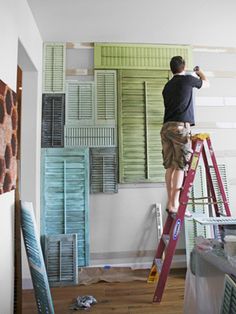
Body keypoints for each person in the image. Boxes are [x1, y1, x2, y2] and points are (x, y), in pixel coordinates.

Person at [161, 56, 209, 217]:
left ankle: (170, 202)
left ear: (171, 69)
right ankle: (175, 205)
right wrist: (199, 72)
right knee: (180, 166)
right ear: (184, 66)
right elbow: (206, 83)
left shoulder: (166, 86)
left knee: (170, 167)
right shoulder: (189, 79)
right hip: (180, 128)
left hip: (166, 128)